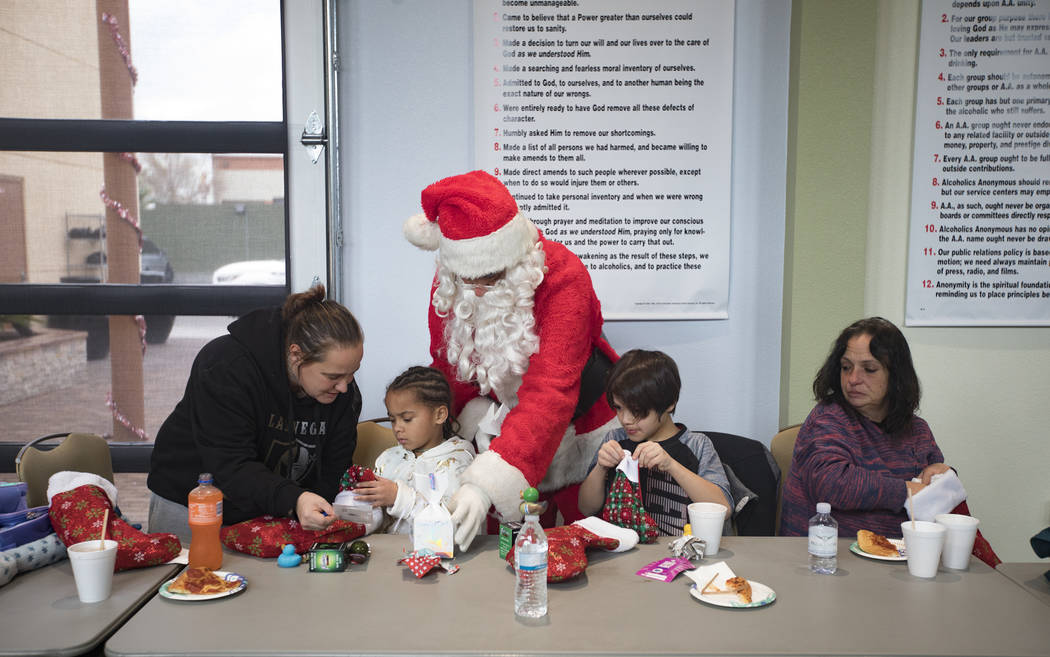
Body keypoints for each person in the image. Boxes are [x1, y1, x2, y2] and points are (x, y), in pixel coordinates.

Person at [403, 170, 620, 550]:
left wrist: (488, 483)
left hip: (577, 428)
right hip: (501, 428)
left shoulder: (563, 275)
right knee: (492, 552)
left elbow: (552, 389)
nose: (482, 289)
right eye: (472, 280)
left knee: (577, 551)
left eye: (493, 276)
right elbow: (450, 371)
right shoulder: (451, 284)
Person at [147, 285, 364, 542]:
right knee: (194, 580)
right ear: (296, 355)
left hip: (277, 508)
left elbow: (333, 470)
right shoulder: (226, 366)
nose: (344, 386)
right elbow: (230, 466)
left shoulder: (342, 392)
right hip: (193, 504)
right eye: (333, 376)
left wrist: (318, 505)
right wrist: (295, 498)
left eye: (352, 373)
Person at [779, 317, 951, 537]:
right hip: (826, 557)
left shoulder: (917, 430)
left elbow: (935, 493)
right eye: (846, 367)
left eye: (869, 369)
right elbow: (832, 483)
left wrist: (943, 476)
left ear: (896, 376)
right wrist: (906, 491)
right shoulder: (827, 418)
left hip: (902, 557)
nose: (853, 379)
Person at [577, 350, 732, 534]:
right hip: (624, 554)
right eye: (619, 408)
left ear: (669, 403)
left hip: (681, 556)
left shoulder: (696, 445)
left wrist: (671, 465)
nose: (625, 419)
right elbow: (586, 507)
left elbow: (724, 509)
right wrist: (600, 468)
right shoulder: (616, 439)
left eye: (637, 411)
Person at [352, 366, 475, 533]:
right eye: (392, 419)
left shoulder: (459, 462)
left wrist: (399, 497)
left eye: (407, 419)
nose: (397, 428)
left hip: (438, 556)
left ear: (439, 415)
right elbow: (373, 519)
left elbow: (452, 525)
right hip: (387, 555)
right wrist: (355, 511)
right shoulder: (387, 458)